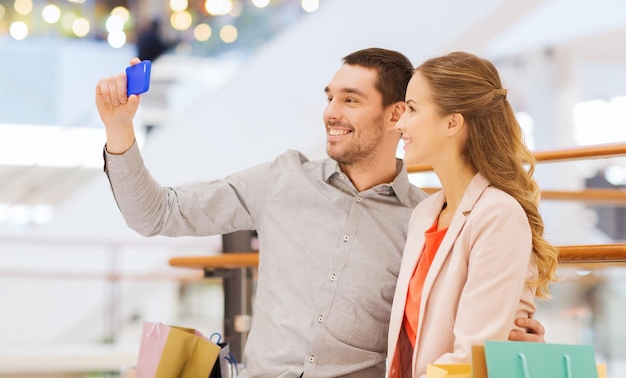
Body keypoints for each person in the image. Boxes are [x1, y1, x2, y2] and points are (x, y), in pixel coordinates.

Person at [95, 49, 546, 378]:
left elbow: (451, 323)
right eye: (329, 97)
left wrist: (507, 339)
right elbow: (156, 214)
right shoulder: (283, 181)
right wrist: (119, 129)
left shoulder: (422, 217)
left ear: (395, 116)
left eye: (350, 99)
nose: (330, 112)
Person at [387, 51, 559, 378]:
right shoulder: (424, 213)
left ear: (452, 122)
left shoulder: (498, 215)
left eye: (412, 109)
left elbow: (471, 358)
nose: (400, 122)